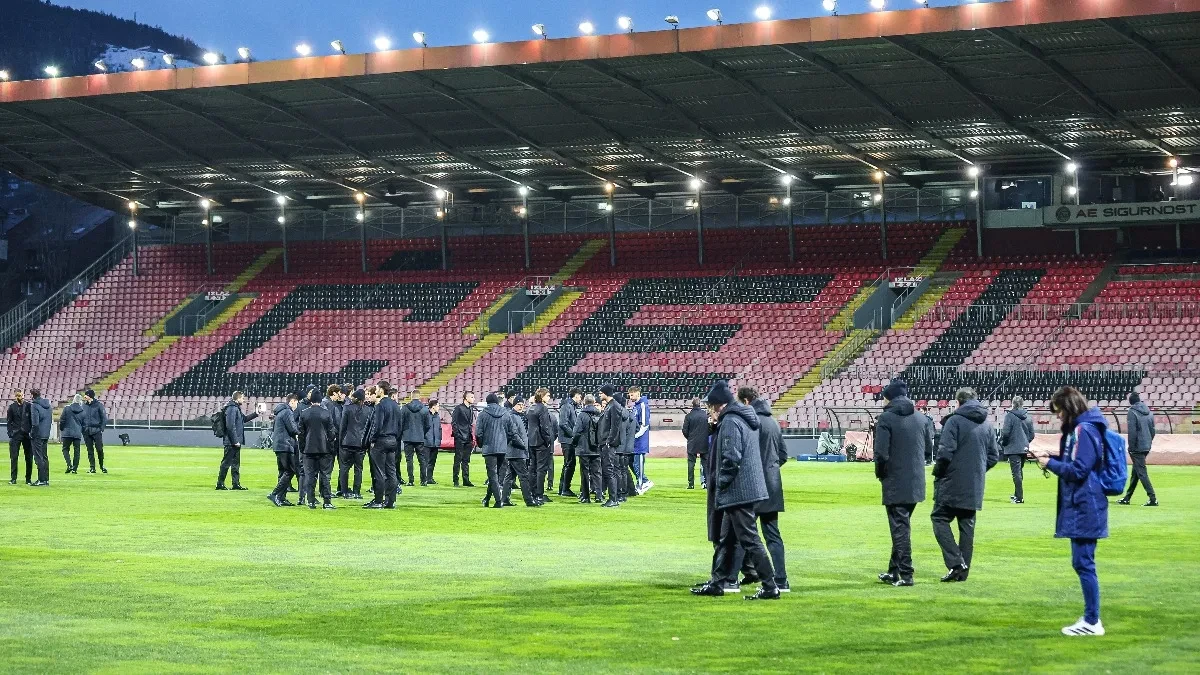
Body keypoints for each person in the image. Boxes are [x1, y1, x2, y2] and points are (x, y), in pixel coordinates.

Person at [1032, 386, 1110, 637]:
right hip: (1084, 503)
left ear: (1069, 408)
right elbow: (1077, 461)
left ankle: (1092, 621)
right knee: (1082, 562)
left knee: (1084, 563)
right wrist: (1051, 455)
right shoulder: (1085, 429)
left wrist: (1049, 463)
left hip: (1085, 504)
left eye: (1060, 412)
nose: (1058, 417)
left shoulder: (1084, 431)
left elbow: (1078, 470)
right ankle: (1091, 618)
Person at [691, 381, 779, 600]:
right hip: (745, 489)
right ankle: (717, 582)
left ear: (718, 406)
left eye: (710, 407)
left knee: (749, 539)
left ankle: (770, 585)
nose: (709, 411)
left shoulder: (730, 422)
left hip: (738, 491)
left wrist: (721, 483)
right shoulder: (743, 418)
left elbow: (731, 458)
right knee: (727, 539)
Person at [931, 387, 1000, 582]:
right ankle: (962, 572)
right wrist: (976, 471)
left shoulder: (954, 421)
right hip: (974, 484)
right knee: (967, 526)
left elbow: (945, 452)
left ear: (958, 402)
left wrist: (939, 473)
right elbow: (994, 457)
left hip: (952, 482)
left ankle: (955, 562)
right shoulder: (986, 425)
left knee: (939, 518)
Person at [872, 379, 930, 587]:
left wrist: (881, 474)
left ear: (888, 397)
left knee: (900, 528)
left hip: (895, 480)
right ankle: (893, 571)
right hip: (916, 481)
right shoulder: (921, 418)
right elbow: (928, 449)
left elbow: (880, 454)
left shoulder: (886, 418)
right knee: (902, 525)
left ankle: (906, 574)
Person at [741, 388, 790, 592]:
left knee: (743, 532)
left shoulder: (752, 422)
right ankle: (781, 580)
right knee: (772, 534)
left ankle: (735, 577)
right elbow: (783, 455)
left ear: (746, 401)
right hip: (773, 485)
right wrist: (770, 468)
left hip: (753, 486)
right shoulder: (773, 422)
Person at [298, 389, 338, 509]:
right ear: (320, 400)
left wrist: (303, 448)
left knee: (310, 475)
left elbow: (301, 433)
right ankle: (327, 501)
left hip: (308, 450)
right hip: (324, 449)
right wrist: (330, 447)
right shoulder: (326, 413)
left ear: (311, 400)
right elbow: (332, 433)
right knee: (325, 476)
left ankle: (310, 501)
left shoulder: (304, 413)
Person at [365, 384, 401, 509]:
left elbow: (377, 425)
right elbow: (400, 425)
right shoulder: (396, 405)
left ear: (381, 390)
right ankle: (390, 501)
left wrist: (372, 439)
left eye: (377, 388)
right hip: (393, 441)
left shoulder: (380, 405)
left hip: (381, 441)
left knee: (379, 472)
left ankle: (378, 500)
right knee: (392, 472)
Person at [1119, 393, 1158, 506]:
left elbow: (1132, 432)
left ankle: (1152, 498)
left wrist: (1131, 447)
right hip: (1146, 446)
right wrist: (1149, 443)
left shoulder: (1132, 412)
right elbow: (1153, 430)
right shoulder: (1149, 412)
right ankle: (1127, 497)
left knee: (1141, 473)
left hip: (1136, 447)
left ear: (1130, 402)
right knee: (1135, 473)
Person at [217, 391, 259, 490]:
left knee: (236, 464)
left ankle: (236, 484)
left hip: (235, 441)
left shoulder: (235, 408)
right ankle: (220, 484)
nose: (243, 400)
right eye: (242, 398)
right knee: (226, 463)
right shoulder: (231, 408)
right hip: (231, 441)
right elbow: (230, 426)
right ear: (237, 398)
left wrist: (256, 413)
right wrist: (235, 441)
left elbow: (244, 419)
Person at [503, 397, 538, 507]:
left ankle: (505, 499)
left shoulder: (516, 416)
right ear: (514, 405)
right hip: (517, 451)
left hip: (515, 451)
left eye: (522, 405)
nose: (521, 406)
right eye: (519, 404)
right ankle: (529, 500)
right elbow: (514, 434)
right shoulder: (513, 416)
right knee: (524, 476)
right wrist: (523, 445)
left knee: (510, 476)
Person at [476, 393, 509, 508]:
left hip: (489, 447)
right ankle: (487, 499)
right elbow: (511, 431)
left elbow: (478, 433)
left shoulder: (483, 414)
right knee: (496, 475)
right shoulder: (505, 413)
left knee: (492, 475)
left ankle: (498, 501)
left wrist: (481, 445)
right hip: (502, 448)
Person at [1000, 396, 1035, 504]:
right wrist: (1025, 442)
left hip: (1013, 448)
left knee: (1016, 473)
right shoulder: (1027, 416)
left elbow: (1005, 433)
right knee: (1019, 471)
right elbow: (1032, 434)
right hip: (1024, 448)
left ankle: (1019, 498)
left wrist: (1004, 443)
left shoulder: (1009, 416)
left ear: (1013, 404)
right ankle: (1017, 495)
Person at [338, 389, 372, 499]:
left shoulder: (347, 409)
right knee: (358, 469)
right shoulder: (368, 410)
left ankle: (344, 492)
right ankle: (357, 492)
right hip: (361, 444)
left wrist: (340, 441)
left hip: (347, 443)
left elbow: (342, 427)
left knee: (344, 468)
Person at [267, 395, 300, 507]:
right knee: (290, 471)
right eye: (296, 402)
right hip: (286, 445)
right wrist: (302, 431)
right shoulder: (287, 412)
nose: (297, 405)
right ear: (292, 401)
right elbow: (293, 429)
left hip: (279, 445)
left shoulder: (279, 412)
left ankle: (281, 498)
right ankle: (275, 493)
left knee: (282, 472)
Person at [526, 388, 556, 505]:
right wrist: (549, 440)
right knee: (541, 469)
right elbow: (545, 427)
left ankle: (533, 492)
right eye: (547, 395)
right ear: (542, 396)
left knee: (532, 468)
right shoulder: (543, 408)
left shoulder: (531, 408)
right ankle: (539, 494)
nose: (549, 397)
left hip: (531, 441)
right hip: (541, 442)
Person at [572, 394, 603, 504]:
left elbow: (576, 432)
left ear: (584, 402)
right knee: (597, 472)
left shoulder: (582, 415)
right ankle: (599, 495)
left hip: (584, 448)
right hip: (597, 448)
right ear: (594, 402)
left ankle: (586, 496)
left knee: (585, 472)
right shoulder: (600, 414)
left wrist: (574, 443)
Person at [597, 384, 623, 507]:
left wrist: (609, 441)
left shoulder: (614, 406)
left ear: (606, 393)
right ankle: (613, 498)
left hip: (608, 444)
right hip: (605, 443)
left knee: (609, 470)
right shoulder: (609, 406)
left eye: (601, 393)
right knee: (608, 470)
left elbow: (615, 426)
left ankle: (613, 499)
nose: (599, 395)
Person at [400, 391, 430, 487]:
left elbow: (401, 423)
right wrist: (422, 433)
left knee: (409, 460)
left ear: (411, 397)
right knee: (422, 460)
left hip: (408, 437)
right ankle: (423, 480)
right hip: (420, 437)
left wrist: (403, 433)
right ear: (419, 397)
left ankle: (411, 480)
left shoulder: (404, 408)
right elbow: (428, 425)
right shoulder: (425, 409)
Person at [557, 388, 582, 497]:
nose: (580, 399)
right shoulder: (567, 406)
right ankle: (564, 488)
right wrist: (573, 435)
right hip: (567, 439)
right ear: (576, 396)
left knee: (569, 463)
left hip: (568, 439)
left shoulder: (569, 405)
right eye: (580, 396)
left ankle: (563, 488)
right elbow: (563, 423)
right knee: (569, 463)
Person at [321, 385, 346, 494]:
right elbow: (334, 423)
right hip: (331, 440)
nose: (339, 396)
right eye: (338, 393)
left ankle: (323, 490)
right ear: (334, 393)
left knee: (324, 466)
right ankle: (326, 491)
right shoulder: (331, 405)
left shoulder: (323, 403)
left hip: (322, 439)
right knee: (328, 467)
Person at [6, 389, 32, 485]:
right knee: (14, 457)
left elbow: (32, 420)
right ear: (15, 396)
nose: (19, 397)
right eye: (17, 395)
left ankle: (28, 479)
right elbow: (9, 421)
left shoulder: (29, 406)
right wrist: (10, 433)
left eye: (20, 395)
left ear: (23, 395)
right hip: (15, 435)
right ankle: (13, 478)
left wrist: (31, 432)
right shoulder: (11, 407)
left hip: (27, 435)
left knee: (29, 457)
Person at [682, 397, 709, 489]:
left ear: (692, 405)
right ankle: (706, 483)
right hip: (704, 442)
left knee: (691, 464)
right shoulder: (705, 415)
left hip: (692, 443)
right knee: (705, 464)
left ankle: (691, 484)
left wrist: (689, 438)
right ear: (700, 404)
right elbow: (710, 429)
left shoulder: (689, 416)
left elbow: (684, 430)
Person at [630, 385, 652, 493]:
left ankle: (641, 484)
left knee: (638, 464)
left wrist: (635, 436)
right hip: (635, 441)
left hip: (640, 441)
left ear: (638, 393)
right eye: (629, 394)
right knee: (634, 464)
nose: (630, 397)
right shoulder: (636, 406)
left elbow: (644, 425)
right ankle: (644, 482)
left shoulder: (643, 406)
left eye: (632, 394)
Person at [451, 392, 476, 487]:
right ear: (466, 398)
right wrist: (457, 435)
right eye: (472, 397)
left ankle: (466, 480)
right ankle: (455, 480)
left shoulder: (471, 409)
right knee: (458, 459)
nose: (473, 399)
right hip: (460, 437)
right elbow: (454, 423)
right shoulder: (458, 408)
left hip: (468, 437)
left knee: (466, 460)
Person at [81, 389, 109, 473]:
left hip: (96, 430)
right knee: (90, 450)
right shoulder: (83, 406)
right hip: (86, 431)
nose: (84, 397)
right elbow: (81, 417)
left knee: (99, 449)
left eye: (86, 395)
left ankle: (101, 465)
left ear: (90, 396)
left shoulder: (98, 405)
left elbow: (103, 417)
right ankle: (92, 467)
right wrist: (82, 428)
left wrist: (101, 428)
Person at [28, 388, 51, 486]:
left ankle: (41, 480)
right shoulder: (48, 405)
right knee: (45, 457)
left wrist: (32, 434)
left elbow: (35, 423)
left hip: (38, 435)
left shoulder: (34, 406)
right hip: (46, 433)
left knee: (38, 457)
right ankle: (46, 479)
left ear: (32, 395)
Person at [616, 391, 636, 502]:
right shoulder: (630, 415)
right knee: (624, 470)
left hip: (621, 447)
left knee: (619, 470)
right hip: (629, 447)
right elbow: (636, 428)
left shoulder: (620, 415)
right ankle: (629, 490)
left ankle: (621, 492)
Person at [59, 394, 85, 474]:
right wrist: (81, 431)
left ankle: (69, 465)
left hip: (67, 432)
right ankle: (74, 469)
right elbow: (84, 424)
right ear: (80, 401)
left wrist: (62, 429)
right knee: (77, 451)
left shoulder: (67, 408)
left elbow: (62, 420)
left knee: (65, 449)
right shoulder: (82, 411)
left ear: (73, 400)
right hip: (77, 433)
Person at [424, 399, 443, 484]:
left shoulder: (437, 417)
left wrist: (439, 440)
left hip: (435, 443)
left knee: (432, 461)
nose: (439, 407)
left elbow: (439, 429)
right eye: (438, 406)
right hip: (427, 442)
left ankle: (430, 478)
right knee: (425, 462)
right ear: (433, 406)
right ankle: (424, 478)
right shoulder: (426, 415)